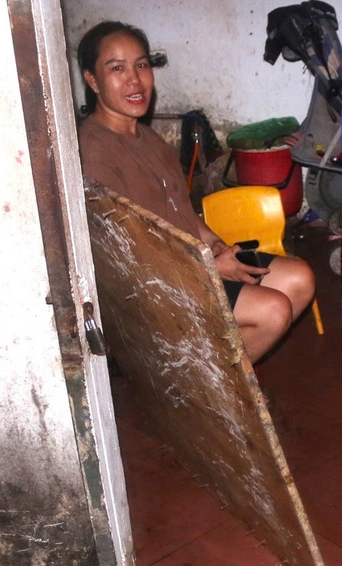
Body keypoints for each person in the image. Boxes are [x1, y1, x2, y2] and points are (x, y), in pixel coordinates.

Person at [76, 21, 314, 363]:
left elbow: (184, 214)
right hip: (158, 284)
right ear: (92, 80)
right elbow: (127, 250)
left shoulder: (151, 139)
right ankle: (211, 398)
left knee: (299, 278)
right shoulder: (93, 148)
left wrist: (218, 248)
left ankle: (213, 371)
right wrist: (209, 267)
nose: (134, 79)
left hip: (196, 261)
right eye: (117, 68)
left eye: (141, 65)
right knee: (273, 310)